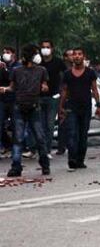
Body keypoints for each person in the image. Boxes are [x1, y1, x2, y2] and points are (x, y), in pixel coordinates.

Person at [1, 45, 50, 177]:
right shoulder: (17, 71)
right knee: (18, 138)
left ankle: (45, 164)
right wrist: (5, 89)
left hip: (34, 107)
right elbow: (12, 87)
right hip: (20, 107)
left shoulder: (41, 70)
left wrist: (44, 87)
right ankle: (16, 166)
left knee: (39, 137)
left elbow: (45, 85)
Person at [59, 47, 100, 171]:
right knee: (72, 133)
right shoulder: (67, 74)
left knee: (83, 135)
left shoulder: (90, 72)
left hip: (85, 107)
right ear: (72, 57)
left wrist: (99, 105)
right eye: (74, 54)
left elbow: (94, 89)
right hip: (71, 107)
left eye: (79, 54)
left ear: (84, 56)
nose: (77, 56)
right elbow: (64, 91)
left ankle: (80, 160)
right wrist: (61, 106)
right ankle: (72, 159)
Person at [38, 40, 67, 158]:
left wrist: (62, 91)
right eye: (43, 47)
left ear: (52, 49)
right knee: (40, 125)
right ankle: (40, 149)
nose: (45, 49)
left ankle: (47, 150)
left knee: (50, 125)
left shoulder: (58, 62)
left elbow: (66, 76)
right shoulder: (38, 62)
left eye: (47, 47)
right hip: (39, 97)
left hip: (53, 97)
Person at [0, 47, 20, 157]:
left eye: (7, 52)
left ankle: (16, 149)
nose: (5, 55)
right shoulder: (2, 66)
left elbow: (14, 79)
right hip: (2, 99)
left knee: (16, 125)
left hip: (14, 99)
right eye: (4, 52)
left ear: (13, 54)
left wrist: (6, 70)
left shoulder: (17, 66)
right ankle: (7, 145)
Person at [56, 48, 74, 155]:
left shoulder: (79, 68)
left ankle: (71, 144)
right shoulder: (62, 71)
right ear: (65, 57)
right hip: (63, 98)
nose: (73, 56)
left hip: (75, 98)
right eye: (70, 55)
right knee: (62, 123)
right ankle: (61, 146)